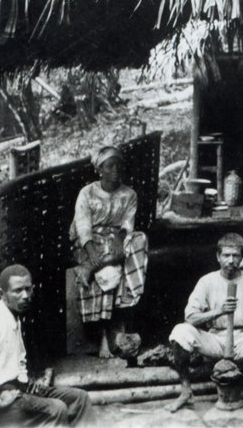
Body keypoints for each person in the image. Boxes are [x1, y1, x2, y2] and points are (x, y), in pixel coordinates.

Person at [0, 264, 92, 426]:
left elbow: (18, 361)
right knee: (56, 409)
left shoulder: (14, 318)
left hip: (14, 390)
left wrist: (25, 386)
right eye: (18, 291)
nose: (25, 296)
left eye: (28, 289)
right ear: (2, 294)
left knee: (79, 399)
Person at [166, 233, 243, 413]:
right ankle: (186, 391)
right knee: (179, 333)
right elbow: (190, 317)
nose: (231, 260)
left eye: (235, 255)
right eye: (226, 255)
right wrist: (219, 311)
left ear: (242, 257)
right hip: (215, 339)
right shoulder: (207, 281)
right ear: (218, 256)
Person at [69, 145, 148, 358]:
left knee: (140, 239)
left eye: (118, 165)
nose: (115, 170)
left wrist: (120, 238)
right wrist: (90, 250)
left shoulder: (129, 194)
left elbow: (128, 222)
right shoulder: (87, 193)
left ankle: (89, 268)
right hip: (90, 242)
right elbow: (82, 225)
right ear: (99, 170)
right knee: (107, 271)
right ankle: (103, 339)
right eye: (109, 166)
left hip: (116, 239)